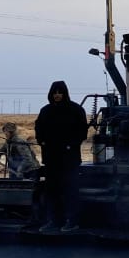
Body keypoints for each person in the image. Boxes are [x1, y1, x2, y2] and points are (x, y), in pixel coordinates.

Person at [34, 80, 89, 233]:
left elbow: (81, 131)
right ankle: (53, 220)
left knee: (70, 190)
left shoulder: (75, 110)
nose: (57, 95)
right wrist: (42, 142)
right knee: (52, 190)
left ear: (65, 93)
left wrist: (71, 145)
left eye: (60, 92)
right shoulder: (45, 111)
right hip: (51, 158)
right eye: (55, 92)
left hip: (69, 159)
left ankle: (72, 220)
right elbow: (38, 128)